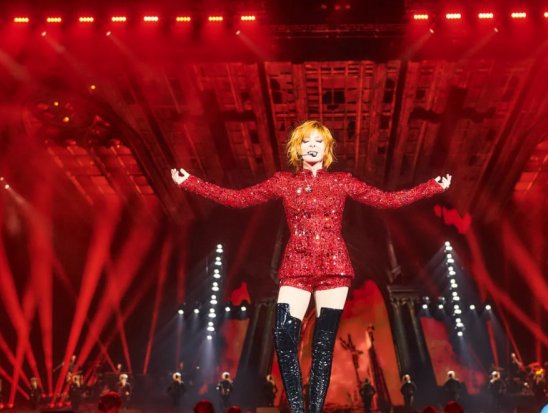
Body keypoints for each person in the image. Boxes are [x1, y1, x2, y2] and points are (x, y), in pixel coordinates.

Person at [172, 120, 451, 413]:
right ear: (297, 148)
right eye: (307, 141)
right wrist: (190, 182)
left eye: (319, 141)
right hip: (296, 265)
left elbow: (387, 200)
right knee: (283, 336)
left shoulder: (341, 181)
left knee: (323, 346)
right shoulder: (283, 181)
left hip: (335, 268)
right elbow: (239, 199)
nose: (313, 145)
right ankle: (297, 407)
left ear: (327, 148)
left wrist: (433, 187)